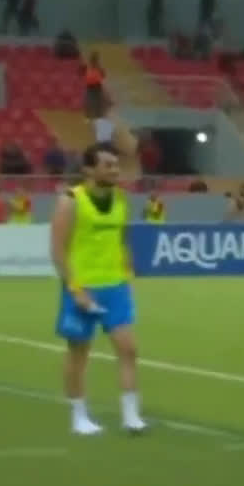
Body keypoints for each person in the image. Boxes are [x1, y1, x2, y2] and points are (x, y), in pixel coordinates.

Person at [49, 142, 146, 436]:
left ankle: (131, 415)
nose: (115, 170)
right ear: (88, 170)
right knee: (79, 354)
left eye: (116, 165)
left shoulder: (121, 199)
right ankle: (79, 417)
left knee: (128, 350)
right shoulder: (71, 201)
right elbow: (58, 250)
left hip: (115, 286)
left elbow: (122, 239)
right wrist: (75, 289)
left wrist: (127, 269)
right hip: (83, 287)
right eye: (108, 165)